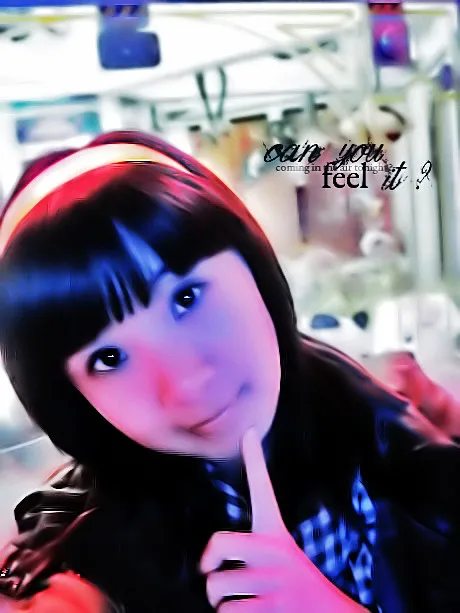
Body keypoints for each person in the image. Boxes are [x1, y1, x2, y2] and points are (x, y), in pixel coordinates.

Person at [0, 131, 459, 613]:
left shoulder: (393, 444)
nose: (186, 384)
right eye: (109, 358)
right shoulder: (84, 558)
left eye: (186, 298)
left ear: (254, 267)